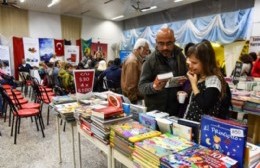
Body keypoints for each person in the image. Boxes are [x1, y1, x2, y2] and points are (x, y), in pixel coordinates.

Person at [138, 28, 187, 116]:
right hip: (156, 112)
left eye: (169, 43)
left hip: (176, 110)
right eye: (161, 43)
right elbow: (141, 87)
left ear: (174, 41)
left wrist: (184, 86)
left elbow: (186, 77)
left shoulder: (180, 56)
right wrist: (154, 86)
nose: (165, 47)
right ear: (156, 42)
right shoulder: (150, 60)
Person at [184, 41, 232, 122]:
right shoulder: (199, 75)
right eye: (189, 62)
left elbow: (205, 105)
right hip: (193, 124)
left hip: (204, 127)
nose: (191, 66)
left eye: (194, 63)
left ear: (206, 62)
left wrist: (194, 85)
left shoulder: (213, 79)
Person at [121, 38, 150, 104]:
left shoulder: (135, 59)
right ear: (140, 48)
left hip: (133, 98)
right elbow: (130, 86)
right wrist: (134, 101)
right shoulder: (133, 61)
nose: (147, 53)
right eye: (146, 50)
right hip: (133, 100)